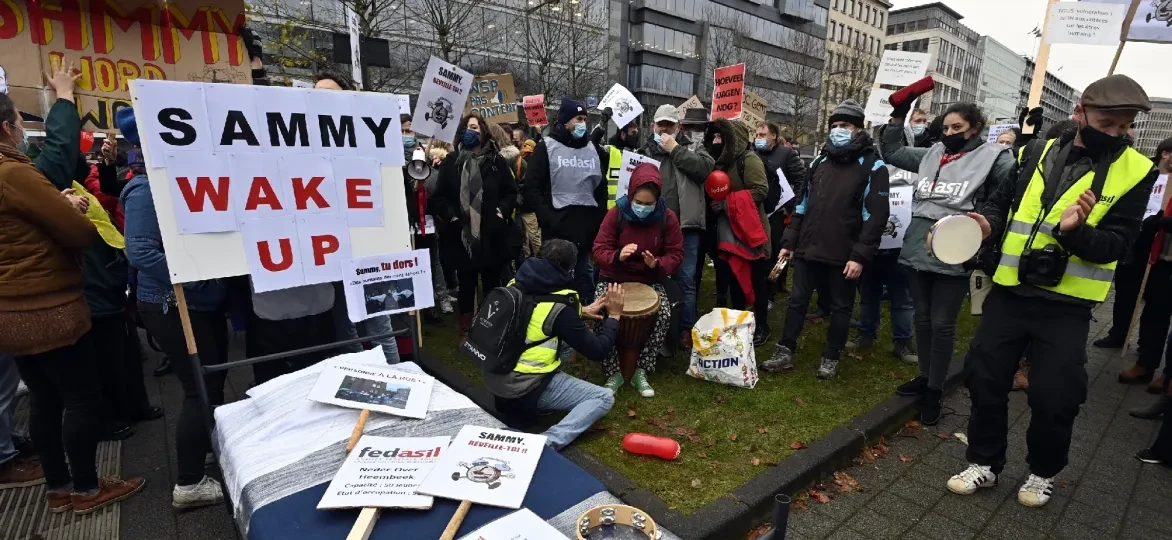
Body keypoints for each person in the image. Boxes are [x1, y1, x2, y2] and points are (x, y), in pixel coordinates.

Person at [948, 74, 1156, 508]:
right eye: (1108, 122)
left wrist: (1076, 234)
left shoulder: (1137, 171)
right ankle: (985, 462)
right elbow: (1002, 205)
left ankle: (1043, 472)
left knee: (1056, 395)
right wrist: (985, 224)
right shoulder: (1034, 151)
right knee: (985, 378)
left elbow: (1118, 245)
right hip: (1009, 289)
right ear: (1079, 113)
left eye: (1125, 126)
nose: (1117, 133)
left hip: (1067, 305)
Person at [1, 90, 145, 513]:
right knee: (81, 398)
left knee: (45, 400)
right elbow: (79, 233)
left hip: (10, 309)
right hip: (47, 305)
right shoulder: (13, 172)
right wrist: (74, 208)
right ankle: (86, 488)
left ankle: (60, 487)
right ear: (8, 127)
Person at [115, 107, 224, 509]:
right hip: (172, 305)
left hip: (195, 302)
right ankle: (189, 483)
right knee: (198, 390)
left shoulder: (176, 181)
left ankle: (202, 452)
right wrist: (193, 278)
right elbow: (140, 249)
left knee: (209, 383)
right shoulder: (146, 188)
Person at [879, 101, 1014, 424]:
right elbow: (894, 151)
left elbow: (1011, 190)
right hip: (918, 245)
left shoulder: (995, 158)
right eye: (946, 128)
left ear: (975, 128)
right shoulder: (932, 153)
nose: (950, 134)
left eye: (957, 128)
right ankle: (925, 376)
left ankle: (935, 391)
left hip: (957, 249)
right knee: (922, 319)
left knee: (942, 323)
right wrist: (898, 115)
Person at [764, 100, 889, 379]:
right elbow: (802, 205)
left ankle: (831, 356)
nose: (838, 131)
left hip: (844, 253)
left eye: (844, 126)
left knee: (841, 307)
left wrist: (859, 256)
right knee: (797, 301)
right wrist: (789, 242)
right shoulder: (820, 160)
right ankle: (785, 350)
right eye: (834, 126)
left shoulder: (873, 165)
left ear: (858, 129)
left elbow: (876, 216)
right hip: (809, 248)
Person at [482, 239, 621, 450]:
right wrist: (615, 316)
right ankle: (548, 442)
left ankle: (536, 406)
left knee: (564, 344)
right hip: (521, 390)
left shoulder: (514, 283)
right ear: (571, 269)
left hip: (494, 378)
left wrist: (581, 311)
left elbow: (534, 311)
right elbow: (599, 350)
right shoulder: (561, 309)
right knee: (603, 397)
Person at [591, 163, 684, 396]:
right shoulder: (617, 213)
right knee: (600, 312)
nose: (642, 208)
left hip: (649, 279)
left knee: (663, 315)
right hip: (614, 276)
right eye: (639, 202)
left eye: (648, 204)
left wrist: (658, 264)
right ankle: (612, 371)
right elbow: (598, 250)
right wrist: (616, 255)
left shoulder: (667, 217)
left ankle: (642, 368)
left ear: (657, 200)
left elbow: (676, 253)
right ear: (631, 194)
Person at [431, 112, 518, 335]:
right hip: (462, 236)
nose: (472, 131)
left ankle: (488, 330)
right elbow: (439, 198)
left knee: (491, 284)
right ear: (462, 131)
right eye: (469, 127)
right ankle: (466, 330)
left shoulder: (496, 161)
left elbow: (510, 192)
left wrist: (502, 211)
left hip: (491, 235)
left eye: (476, 127)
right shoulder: (452, 162)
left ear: (484, 132)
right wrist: (452, 217)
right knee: (467, 285)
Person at [640, 104, 714, 347]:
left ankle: (685, 328)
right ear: (653, 126)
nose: (663, 129)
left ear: (678, 127)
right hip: (653, 224)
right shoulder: (644, 151)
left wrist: (675, 150)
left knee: (686, 278)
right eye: (660, 124)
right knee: (652, 276)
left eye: (668, 125)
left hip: (685, 227)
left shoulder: (693, 148)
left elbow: (704, 170)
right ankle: (654, 325)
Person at [523, 99, 609, 304]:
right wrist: (548, 218)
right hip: (557, 232)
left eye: (585, 119)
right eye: (578, 119)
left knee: (581, 281)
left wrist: (597, 220)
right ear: (565, 121)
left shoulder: (592, 150)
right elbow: (531, 187)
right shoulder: (547, 147)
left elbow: (600, 189)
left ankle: (583, 320)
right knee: (554, 285)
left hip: (585, 231)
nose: (583, 124)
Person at [1116, 136, 1172, 395]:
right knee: (1155, 310)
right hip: (1163, 255)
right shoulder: (1159, 177)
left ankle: (1168, 374)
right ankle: (1146, 363)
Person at [754, 121, 806, 299]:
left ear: (773, 136)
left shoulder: (786, 154)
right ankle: (764, 285)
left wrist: (791, 206)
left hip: (779, 213)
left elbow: (801, 180)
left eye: (762, 135)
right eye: (756, 135)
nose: (758, 139)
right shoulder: (753, 154)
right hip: (760, 211)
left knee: (779, 250)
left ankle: (775, 285)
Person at [598, 116, 642, 209]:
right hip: (609, 210)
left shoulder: (638, 155)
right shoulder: (609, 151)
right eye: (633, 133)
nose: (636, 136)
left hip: (631, 211)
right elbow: (592, 145)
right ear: (623, 134)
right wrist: (602, 123)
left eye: (637, 133)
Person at [516, 138, 542, 260]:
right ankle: (540, 258)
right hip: (530, 206)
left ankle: (526, 259)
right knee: (534, 235)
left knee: (524, 238)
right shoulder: (535, 161)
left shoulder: (519, 160)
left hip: (518, 205)